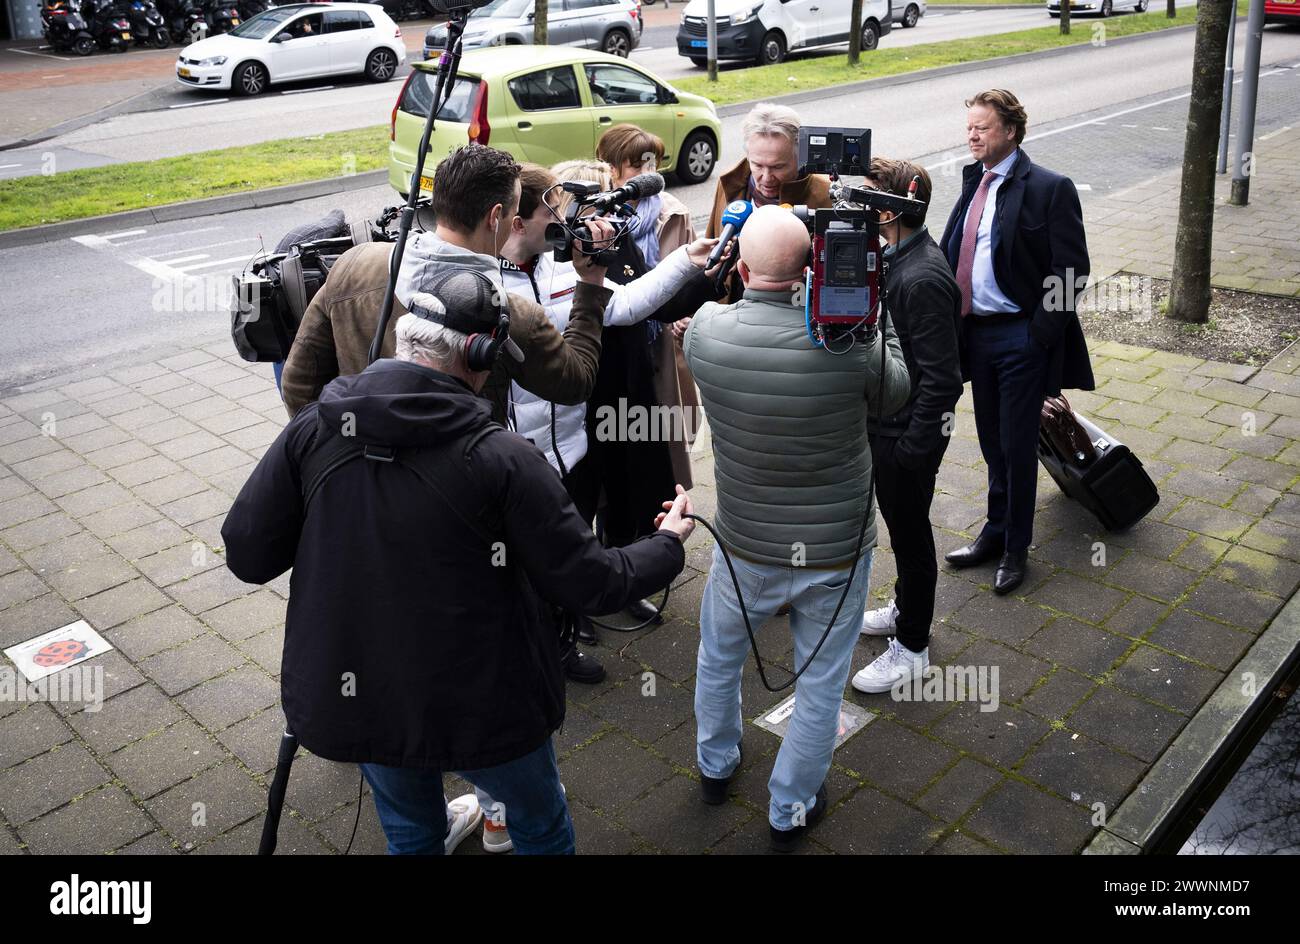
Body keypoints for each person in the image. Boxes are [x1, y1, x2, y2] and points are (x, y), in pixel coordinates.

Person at [222, 252, 694, 856]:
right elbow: (592, 584)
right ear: (479, 357)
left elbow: (246, 554)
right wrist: (667, 544)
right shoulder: (503, 458)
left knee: (413, 836)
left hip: (361, 698)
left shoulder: (313, 429)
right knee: (541, 827)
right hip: (486, 710)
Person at [683, 205, 911, 853]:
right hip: (835, 552)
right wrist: (877, 310)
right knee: (819, 682)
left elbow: (714, 317)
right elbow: (897, 392)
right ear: (815, 264)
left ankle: (715, 767)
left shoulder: (705, 332)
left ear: (742, 267)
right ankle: (789, 807)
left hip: (743, 545)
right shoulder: (851, 345)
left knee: (719, 658)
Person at [279, 145, 605, 429]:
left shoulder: (354, 265)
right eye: (514, 213)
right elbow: (576, 382)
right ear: (495, 217)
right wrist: (590, 284)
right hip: (458, 491)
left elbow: (298, 382)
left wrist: (336, 451)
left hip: (361, 480)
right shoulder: (511, 313)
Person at [937, 89, 1095, 595]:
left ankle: (1015, 549)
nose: (972, 135)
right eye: (969, 128)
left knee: (1017, 445)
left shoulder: (1049, 188)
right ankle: (994, 531)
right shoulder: (974, 182)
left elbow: (1071, 272)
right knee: (991, 443)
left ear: (1010, 130)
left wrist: (1037, 337)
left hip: (1018, 338)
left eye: (982, 127)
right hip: (976, 336)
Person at [848, 158, 963, 695]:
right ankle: (903, 608)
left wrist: (912, 449)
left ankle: (912, 645)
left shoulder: (922, 278)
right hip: (890, 428)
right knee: (902, 532)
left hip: (904, 437)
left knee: (912, 536)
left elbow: (943, 379)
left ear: (891, 210)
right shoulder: (898, 257)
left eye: (868, 198)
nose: (857, 207)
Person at [596, 123, 702, 493]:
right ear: (611, 170)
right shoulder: (595, 216)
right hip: (617, 345)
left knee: (665, 436)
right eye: (635, 166)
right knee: (621, 441)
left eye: (651, 164)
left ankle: (668, 513)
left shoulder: (674, 212)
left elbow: (691, 279)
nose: (646, 174)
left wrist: (687, 314)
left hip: (663, 345)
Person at [705, 103, 833, 301]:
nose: (766, 177)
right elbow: (711, 250)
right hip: (730, 314)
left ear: (800, 157)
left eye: (778, 167)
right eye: (757, 165)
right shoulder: (728, 184)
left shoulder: (825, 196)